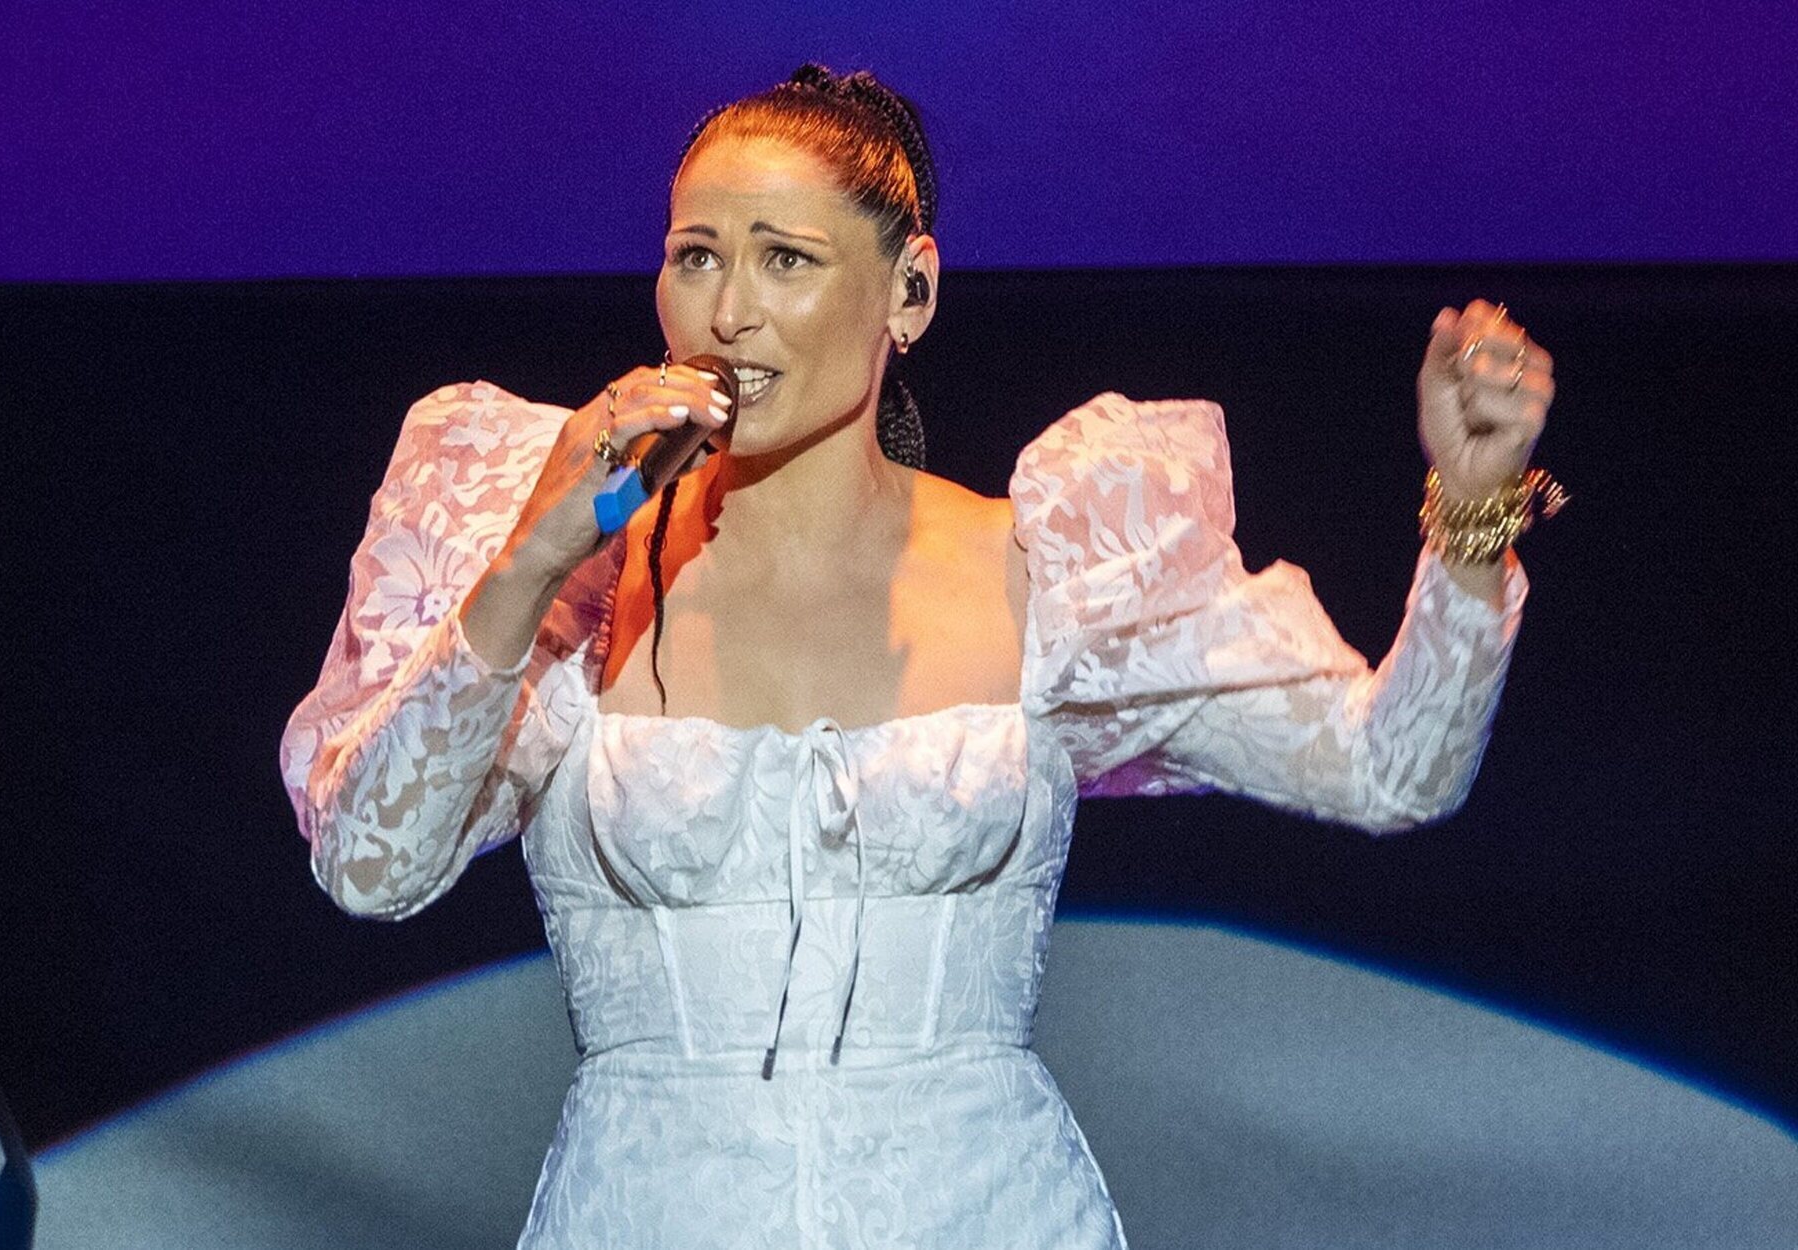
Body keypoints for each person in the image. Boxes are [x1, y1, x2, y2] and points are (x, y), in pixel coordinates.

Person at [280, 64, 1558, 1249]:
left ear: (909, 290)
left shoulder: (1051, 566)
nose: (727, 312)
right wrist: (529, 562)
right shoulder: (566, 582)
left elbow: (1390, 769)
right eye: (695, 257)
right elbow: (369, 864)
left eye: (785, 259)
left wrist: (1473, 509)